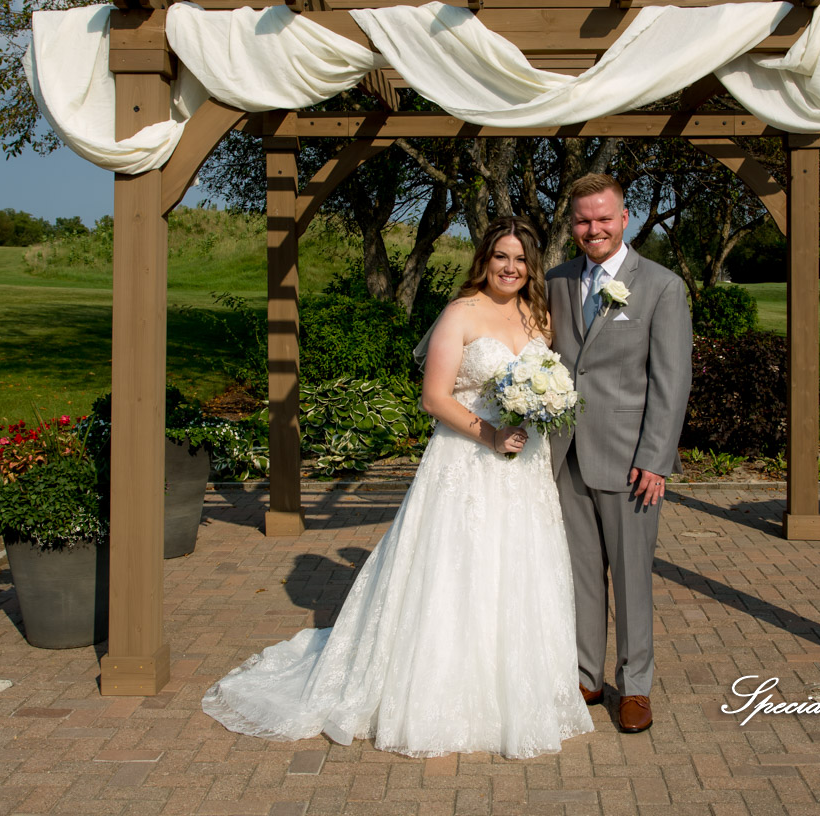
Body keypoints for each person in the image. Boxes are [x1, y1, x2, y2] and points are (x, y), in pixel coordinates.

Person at [202, 216, 593, 758]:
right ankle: (444, 690)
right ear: (485, 259)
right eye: (501, 256)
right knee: (457, 570)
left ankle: (516, 690)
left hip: (523, 468)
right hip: (467, 462)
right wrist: (490, 433)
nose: (511, 267)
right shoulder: (460, 313)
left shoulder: (538, 317)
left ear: (532, 267)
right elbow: (434, 398)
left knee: (518, 568)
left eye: (521, 259)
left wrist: (539, 410)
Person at [546, 174, 693, 734]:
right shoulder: (558, 281)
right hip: (566, 457)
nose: (593, 229)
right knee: (580, 575)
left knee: (632, 579)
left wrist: (656, 458)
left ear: (624, 218)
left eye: (603, 218)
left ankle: (635, 687)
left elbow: (671, 381)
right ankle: (587, 675)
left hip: (633, 460)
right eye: (583, 220)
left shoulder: (660, 286)